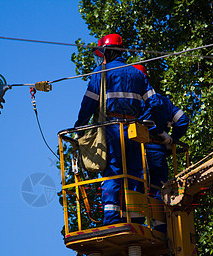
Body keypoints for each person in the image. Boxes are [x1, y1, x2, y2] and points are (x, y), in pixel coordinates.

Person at [74, 34, 166, 225]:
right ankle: (136, 218)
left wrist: (79, 128)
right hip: (135, 131)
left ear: (107, 51)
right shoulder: (138, 74)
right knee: (136, 175)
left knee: (113, 174)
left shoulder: (101, 72)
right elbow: (155, 103)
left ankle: (112, 219)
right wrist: (154, 128)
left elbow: (88, 104)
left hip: (112, 130)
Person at [133, 64, 189, 232]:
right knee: (159, 187)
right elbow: (183, 120)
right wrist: (171, 141)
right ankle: (160, 228)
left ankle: (135, 225)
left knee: (135, 184)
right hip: (158, 150)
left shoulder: (132, 102)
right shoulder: (162, 101)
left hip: (136, 151)